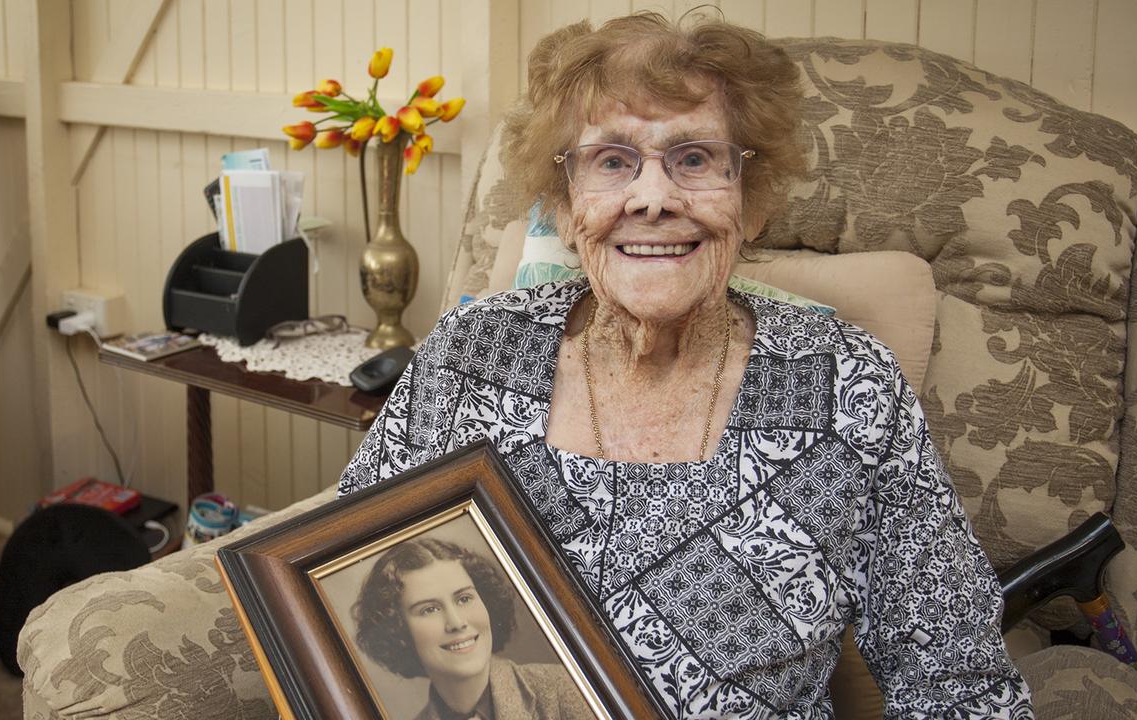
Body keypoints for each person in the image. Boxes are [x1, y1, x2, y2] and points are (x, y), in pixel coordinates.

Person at [340, 11, 1033, 719]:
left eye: (695, 159)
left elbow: (957, 683)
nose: (653, 198)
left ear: (750, 198)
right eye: (612, 161)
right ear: (563, 201)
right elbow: (343, 583)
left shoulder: (847, 390)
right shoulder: (472, 354)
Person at [351, 537, 593, 720]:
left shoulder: (566, 689)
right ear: (399, 630)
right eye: (429, 609)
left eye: (464, 599)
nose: (456, 622)